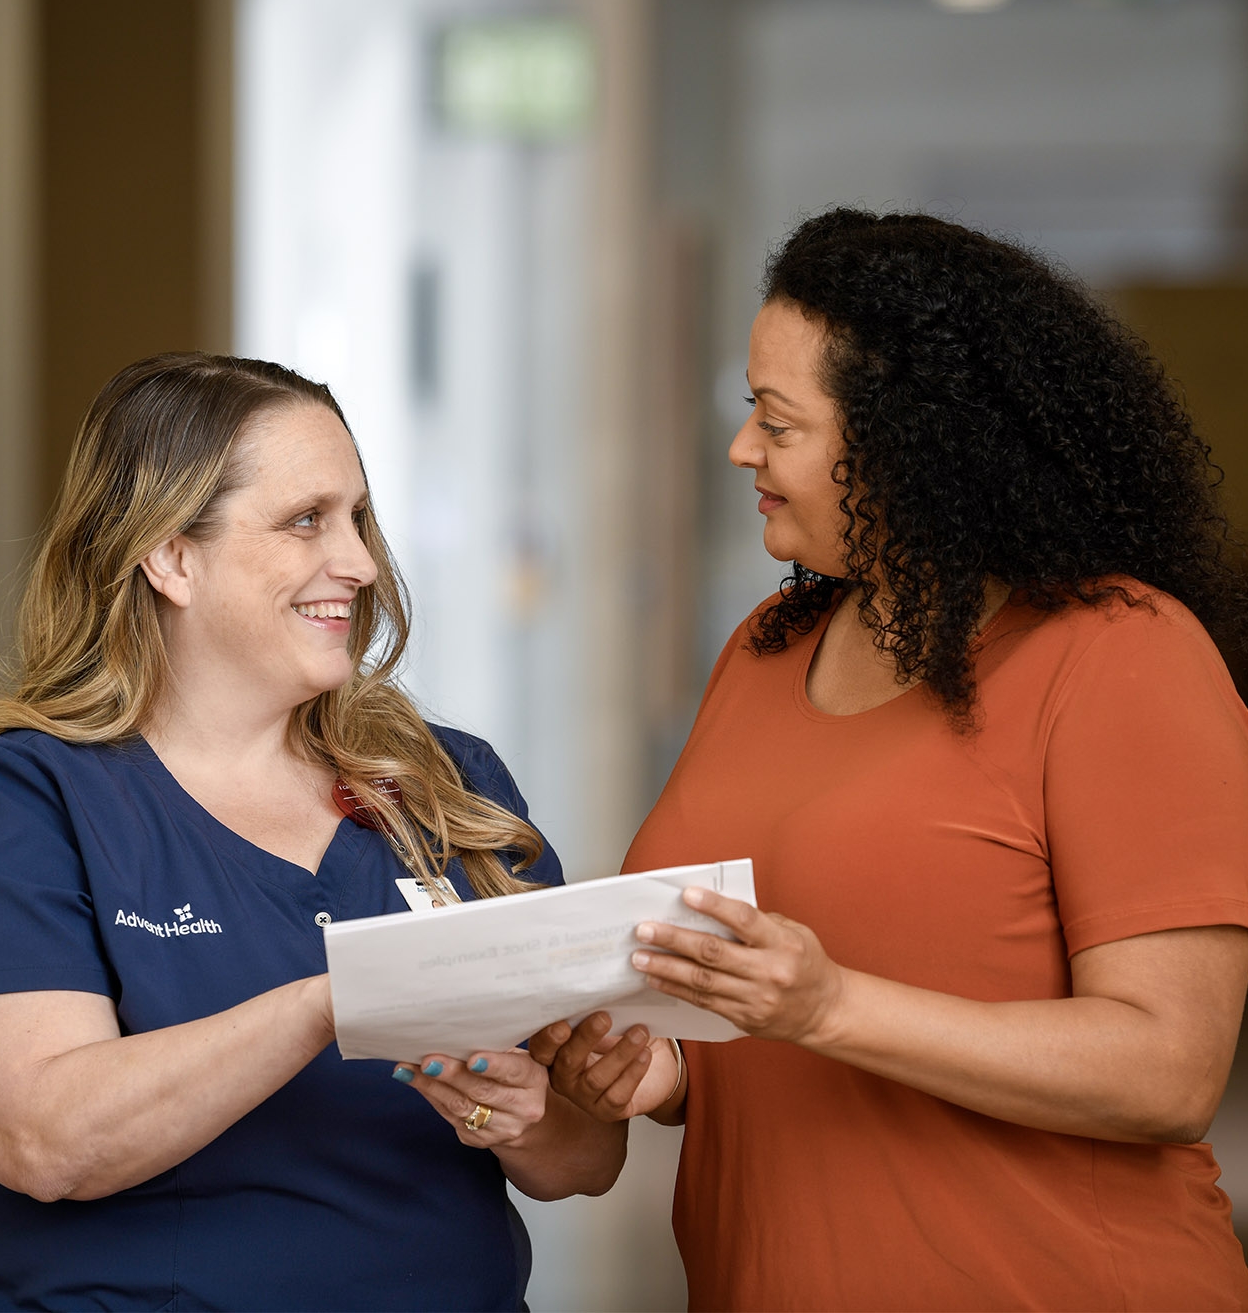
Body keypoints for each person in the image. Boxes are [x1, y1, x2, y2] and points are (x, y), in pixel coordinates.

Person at [531, 208, 1248, 1311]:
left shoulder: (1120, 653)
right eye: (747, 411)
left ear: (913, 444)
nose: (742, 450)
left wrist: (828, 1006)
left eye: (779, 422)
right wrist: (663, 1073)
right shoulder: (764, 653)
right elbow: (756, 1023)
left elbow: (1166, 1071)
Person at [0, 353, 626, 1310]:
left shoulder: (446, 784)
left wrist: (526, 1117)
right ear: (170, 554)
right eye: (306, 521)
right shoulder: (18, 794)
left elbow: (585, 1159)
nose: (362, 563)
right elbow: (44, 1141)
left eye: (359, 519)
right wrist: (328, 1003)